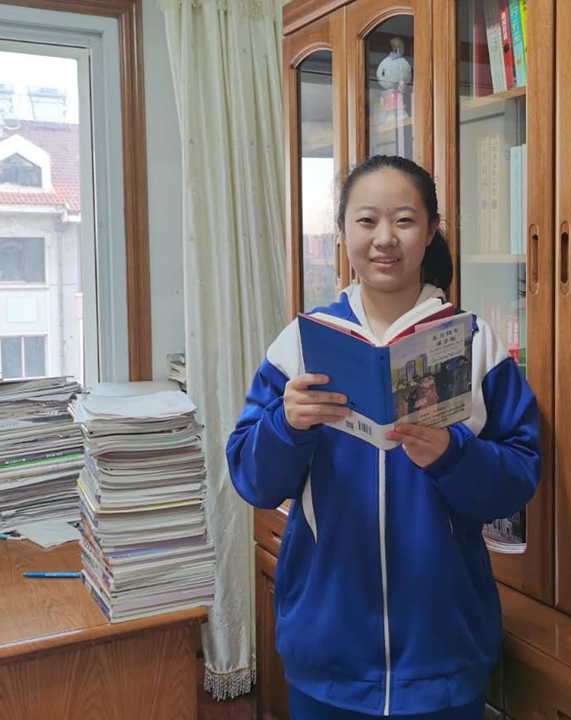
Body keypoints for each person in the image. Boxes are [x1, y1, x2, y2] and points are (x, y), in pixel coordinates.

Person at [227, 155, 540, 720]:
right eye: (367, 220)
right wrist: (286, 425)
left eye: (404, 220)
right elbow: (252, 478)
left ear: (431, 231)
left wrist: (452, 455)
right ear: (342, 231)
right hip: (327, 657)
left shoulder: (475, 343)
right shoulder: (302, 343)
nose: (384, 239)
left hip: (443, 658)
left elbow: (518, 480)